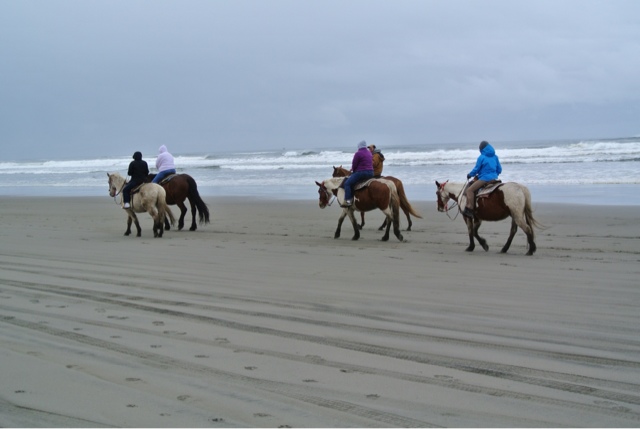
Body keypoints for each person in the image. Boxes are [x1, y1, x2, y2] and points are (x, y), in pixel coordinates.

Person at [462, 140, 502, 218]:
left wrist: (470, 175)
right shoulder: (495, 156)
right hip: (494, 178)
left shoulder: (481, 157)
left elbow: (476, 169)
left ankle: (470, 209)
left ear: (481, 149)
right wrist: (494, 175)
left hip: (484, 179)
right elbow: (499, 169)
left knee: (470, 190)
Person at [342, 140, 374, 207]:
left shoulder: (358, 153)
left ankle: (348, 201)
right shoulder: (369, 153)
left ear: (359, 146)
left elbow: (354, 165)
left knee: (347, 183)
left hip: (361, 173)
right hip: (371, 173)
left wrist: (353, 171)